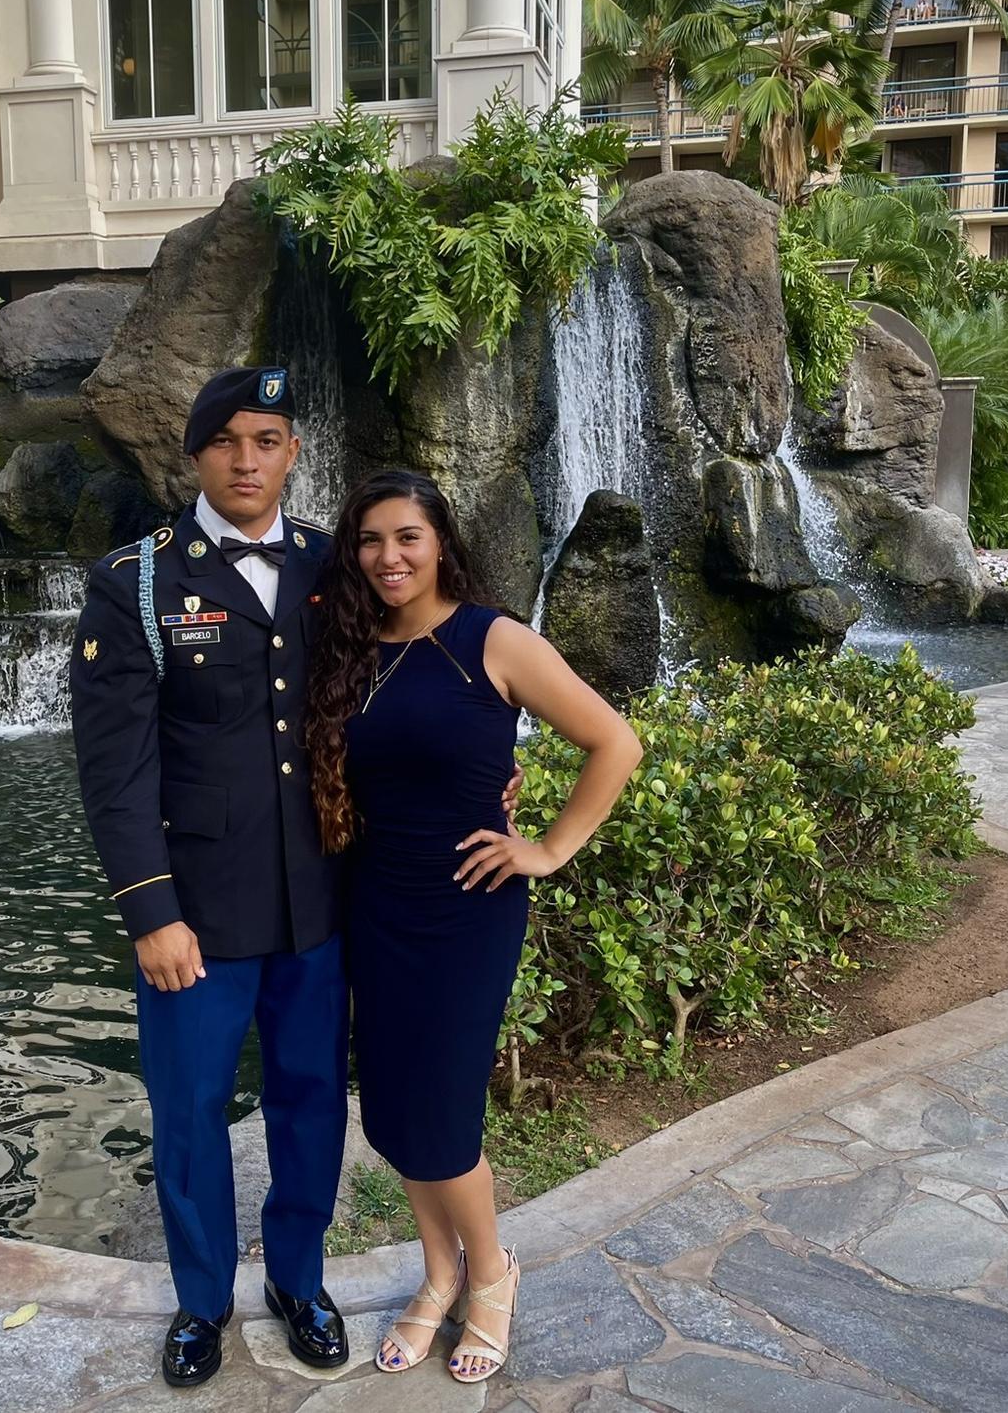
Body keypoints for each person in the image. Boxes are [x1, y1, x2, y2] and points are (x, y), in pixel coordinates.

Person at [305, 470, 645, 1385]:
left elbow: (615, 742)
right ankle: (439, 1273)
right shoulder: (350, 649)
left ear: (440, 543)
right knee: (393, 1107)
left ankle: (491, 1273)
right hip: (375, 904)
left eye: (407, 537)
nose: (389, 557)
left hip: (466, 909)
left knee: (445, 1115)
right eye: (371, 540)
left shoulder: (491, 639)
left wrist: (550, 847)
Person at [70, 366, 351, 1388]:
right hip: (195, 915)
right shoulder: (137, 582)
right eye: (227, 441)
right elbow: (115, 770)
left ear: (293, 453)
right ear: (194, 455)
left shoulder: (332, 564)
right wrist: (151, 913)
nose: (246, 460)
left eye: (267, 440)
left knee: (311, 1102)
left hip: (317, 903)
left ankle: (299, 1282)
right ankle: (201, 1301)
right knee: (190, 1112)